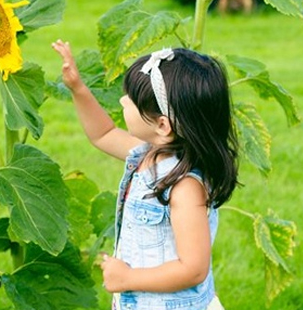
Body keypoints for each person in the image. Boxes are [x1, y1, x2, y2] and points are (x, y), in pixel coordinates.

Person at [52, 39, 238, 310]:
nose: (122, 100)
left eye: (132, 100)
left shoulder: (186, 187)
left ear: (162, 125)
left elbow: (194, 268)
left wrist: (129, 277)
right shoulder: (149, 155)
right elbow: (103, 134)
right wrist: (78, 88)